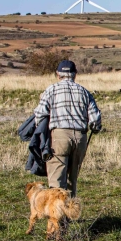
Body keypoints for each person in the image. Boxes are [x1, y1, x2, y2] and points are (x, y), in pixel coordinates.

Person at [34, 60, 102, 197]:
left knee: (57, 179)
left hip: (59, 136)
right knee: (72, 179)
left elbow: (40, 115)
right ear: (75, 74)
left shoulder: (51, 90)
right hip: (80, 137)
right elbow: (95, 120)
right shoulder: (84, 92)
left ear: (58, 74)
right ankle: (70, 212)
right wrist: (94, 128)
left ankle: (58, 216)